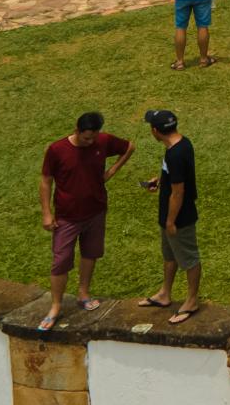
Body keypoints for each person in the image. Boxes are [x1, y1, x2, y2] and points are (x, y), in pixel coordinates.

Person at [37, 111, 134, 330]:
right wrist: (47, 212)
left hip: (96, 211)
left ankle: (83, 293)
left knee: (91, 253)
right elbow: (46, 181)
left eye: (93, 138)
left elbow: (129, 147)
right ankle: (55, 306)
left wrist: (112, 170)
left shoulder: (103, 141)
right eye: (86, 138)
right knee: (61, 260)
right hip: (67, 217)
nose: (90, 142)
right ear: (76, 130)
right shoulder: (57, 150)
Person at [137, 108, 201, 324]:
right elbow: (176, 176)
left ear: (156, 131)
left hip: (178, 216)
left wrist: (171, 221)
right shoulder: (181, 144)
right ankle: (165, 293)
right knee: (169, 255)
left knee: (188, 258)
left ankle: (192, 300)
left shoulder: (175, 153)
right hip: (169, 213)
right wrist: (161, 180)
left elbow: (179, 191)